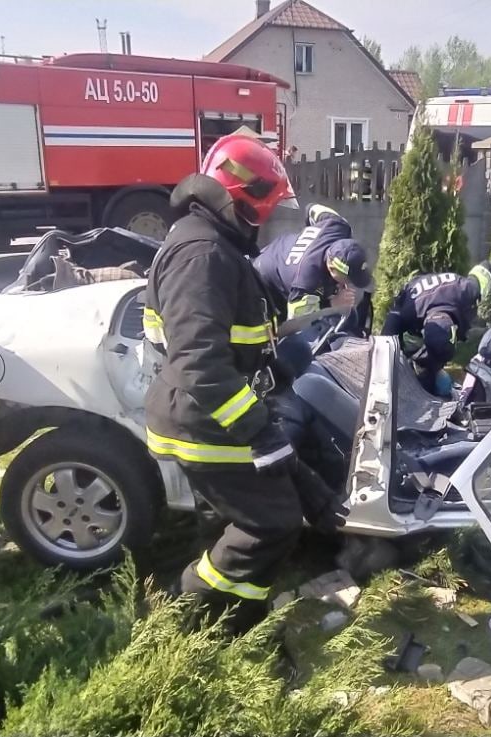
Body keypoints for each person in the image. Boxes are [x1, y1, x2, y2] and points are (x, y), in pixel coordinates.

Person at [142, 133, 344, 633]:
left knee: (294, 498)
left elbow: (234, 339)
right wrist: (260, 431)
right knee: (270, 522)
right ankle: (183, 619)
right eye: (262, 209)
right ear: (238, 198)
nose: (264, 221)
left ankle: (238, 613)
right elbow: (200, 362)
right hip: (203, 417)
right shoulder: (201, 254)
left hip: (216, 407)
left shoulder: (213, 244)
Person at [253, 204, 374, 375]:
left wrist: (309, 244)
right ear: (332, 268)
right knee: (284, 344)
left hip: (280, 252)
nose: (351, 285)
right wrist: (332, 303)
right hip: (263, 280)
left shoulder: (337, 225)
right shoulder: (306, 282)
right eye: (348, 279)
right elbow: (292, 327)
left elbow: (311, 208)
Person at [381, 262, 491, 397]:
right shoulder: (404, 313)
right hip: (419, 301)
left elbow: (488, 269)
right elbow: (383, 350)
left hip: (444, 294)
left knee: (442, 385)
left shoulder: (468, 290)